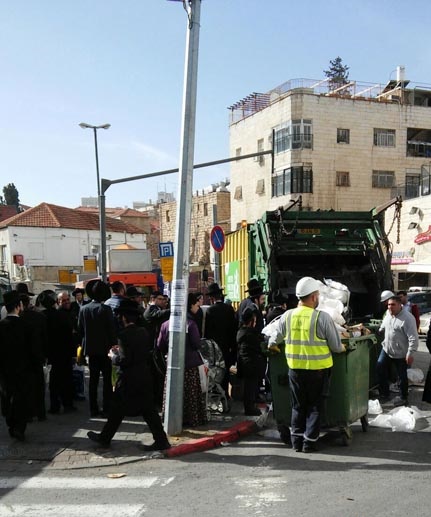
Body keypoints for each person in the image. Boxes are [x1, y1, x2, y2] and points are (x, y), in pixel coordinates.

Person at [268, 276, 345, 453]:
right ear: (313, 297)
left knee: (297, 406)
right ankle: (309, 443)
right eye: (318, 295)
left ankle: (296, 442)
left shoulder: (287, 316)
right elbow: (335, 346)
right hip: (318, 371)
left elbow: (274, 339)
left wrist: (273, 346)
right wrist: (342, 348)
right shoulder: (321, 318)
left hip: (295, 370)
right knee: (314, 407)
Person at [87, 299, 170, 450]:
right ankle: (161, 440)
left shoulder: (123, 335)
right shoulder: (143, 332)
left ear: (124, 318)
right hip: (144, 375)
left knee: (118, 408)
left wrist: (113, 356)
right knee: (148, 411)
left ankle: (105, 438)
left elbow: (125, 359)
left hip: (128, 378)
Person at [157, 293, 208, 427]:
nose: (198, 307)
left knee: (173, 393)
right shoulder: (190, 324)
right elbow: (196, 344)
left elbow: (160, 345)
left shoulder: (166, 324)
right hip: (190, 365)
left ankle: (171, 417)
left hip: (172, 365)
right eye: (196, 304)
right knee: (191, 394)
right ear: (190, 305)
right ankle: (192, 418)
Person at [78, 280, 117, 417]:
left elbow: (80, 329)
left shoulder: (83, 309)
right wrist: (114, 345)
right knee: (107, 380)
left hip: (90, 349)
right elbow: (111, 330)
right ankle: (106, 408)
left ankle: (93, 409)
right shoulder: (106, 309)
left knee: (93, 380)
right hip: (105, 349)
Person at [0, 291, 33, 441]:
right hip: (23, 368)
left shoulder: (1, 325)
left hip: (5, 369)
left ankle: (11, 424)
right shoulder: (25, 325)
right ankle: (20, 427)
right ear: (18, 306)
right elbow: (32, 348)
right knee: (22, 397)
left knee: (7, 395)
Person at [377, 295, 419, 406]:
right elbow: (385, 323)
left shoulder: (408, 318)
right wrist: (381, 329)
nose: (390, 307)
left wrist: (410, 353)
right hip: (387, 348)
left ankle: (403, 397)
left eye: (393, 305)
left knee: (401, 375)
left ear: (400, 305)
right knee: (380, 367)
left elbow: (413, 338)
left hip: (401, 352)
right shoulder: (388, 313)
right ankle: (384, 394)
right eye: (388, 305)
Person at [39, 290, 76, 414]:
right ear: (55, 302)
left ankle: (54, 406)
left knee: (54, 381)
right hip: (64, 353)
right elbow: (70, 335)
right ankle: (68, 404)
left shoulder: (42, 316)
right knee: (66, 379)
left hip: (52, 353)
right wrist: (73, 353)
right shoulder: (62, 315)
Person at [205, 282, 237, 398]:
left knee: (215, 372)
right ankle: (226, 394)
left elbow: (207, 332)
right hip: (227, 347)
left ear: (212, 298)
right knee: (226, 371)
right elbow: (234, 329)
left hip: (215, 348)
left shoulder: (210, 311)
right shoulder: (229, 309)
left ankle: (217, 395)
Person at [19, 293, 48, 421]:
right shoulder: (39, 317)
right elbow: (45, 337)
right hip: (38, 355)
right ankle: (41, 413)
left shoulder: (19, 318)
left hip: (24, 357)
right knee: (39, 385)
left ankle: (29, 413)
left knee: (26, 387)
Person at [236, 307, 267, 415]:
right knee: (250, 388)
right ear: (251, 322)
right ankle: (250, 408)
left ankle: (250, 407)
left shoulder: (241, 332)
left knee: (248, 387)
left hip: (244, 363)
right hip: (251, 364)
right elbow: (259, 347)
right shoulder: (250, 334)